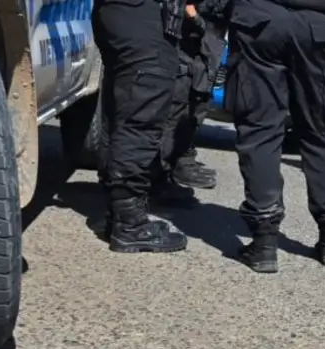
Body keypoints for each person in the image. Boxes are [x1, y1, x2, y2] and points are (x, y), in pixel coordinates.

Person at [226, 0, 325, 272]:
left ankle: (264, 241)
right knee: (318, 132)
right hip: (316, 25)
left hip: (261, 19)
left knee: (260, 128)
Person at [92, 0, 189, 253]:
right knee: (141, 117)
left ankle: (118, 213)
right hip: (143, 17)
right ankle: (129, 223)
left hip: (121, 14)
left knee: (122, 114)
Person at [161, 0, 230, 190]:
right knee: (179, 101)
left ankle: (180, 159)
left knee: (198, 100)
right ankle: (161, 172)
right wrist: (190, 11)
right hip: (192, 28)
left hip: (212, 27)